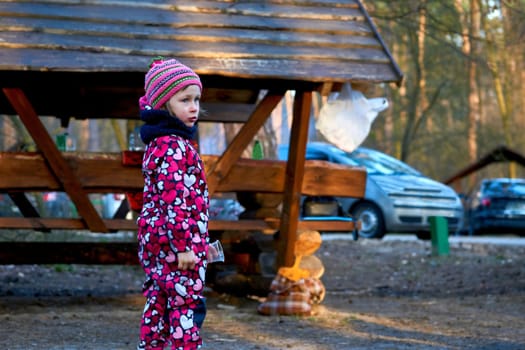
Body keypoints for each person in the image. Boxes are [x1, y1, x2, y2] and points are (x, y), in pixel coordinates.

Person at [136, 57, 210, 350]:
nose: (194, 107)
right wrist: (184, 246)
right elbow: (175, 200)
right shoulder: (173, 146)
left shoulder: (159, 142)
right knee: (186, 304)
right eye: (184, 100)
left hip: (156, 238)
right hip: (177, 242)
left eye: (196, 99)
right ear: (164, 104)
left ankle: (151, 346)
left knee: (159, 297)